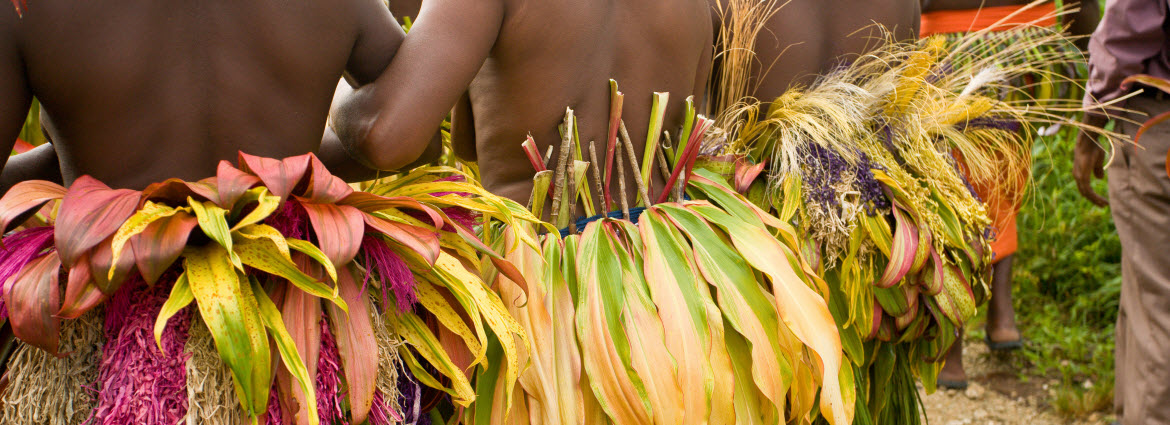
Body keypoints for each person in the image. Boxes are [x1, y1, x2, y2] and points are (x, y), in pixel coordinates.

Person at [0, 0, 436, 192]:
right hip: (287, 325)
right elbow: (418, 140)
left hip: (102, 323)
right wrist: (282, 163)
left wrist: (71, 164)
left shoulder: (24, 6)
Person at [331, 0, 714, 207]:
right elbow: (689, 140)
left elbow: (388, 138)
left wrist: (337, 100)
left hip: (539, 296)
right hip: (670, 291)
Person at [919, 0, 1100, 390]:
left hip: (945, 47)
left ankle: (953, 336)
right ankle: (1001, 313)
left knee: (949, 182)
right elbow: (1082, 6)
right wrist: (1088, 56)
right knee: (1003, 172)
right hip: (1023, 50)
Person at [1077, 1, 1170, 423]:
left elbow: (1128, 26)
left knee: (1156, 302)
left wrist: (1093, 118)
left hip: (1159, 122)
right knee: (1144, 287)